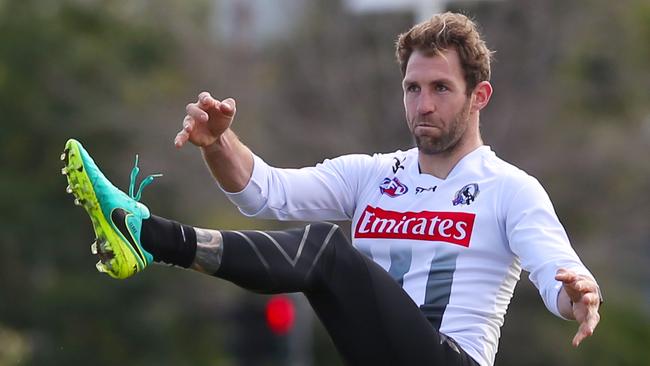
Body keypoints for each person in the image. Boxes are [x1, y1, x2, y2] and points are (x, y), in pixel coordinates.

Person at [62, 12, 602, 366]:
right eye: (413, 88)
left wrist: (577, 295)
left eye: (441, 88)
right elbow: (265, 193)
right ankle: (145, 238)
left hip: (451, 359)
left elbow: (555, 273)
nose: (424, 103)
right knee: (319, 255)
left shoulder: (510, 189)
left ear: (479, 95)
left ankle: (149, 235)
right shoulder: (372, 175)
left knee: (325, 250)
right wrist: (218, 144)